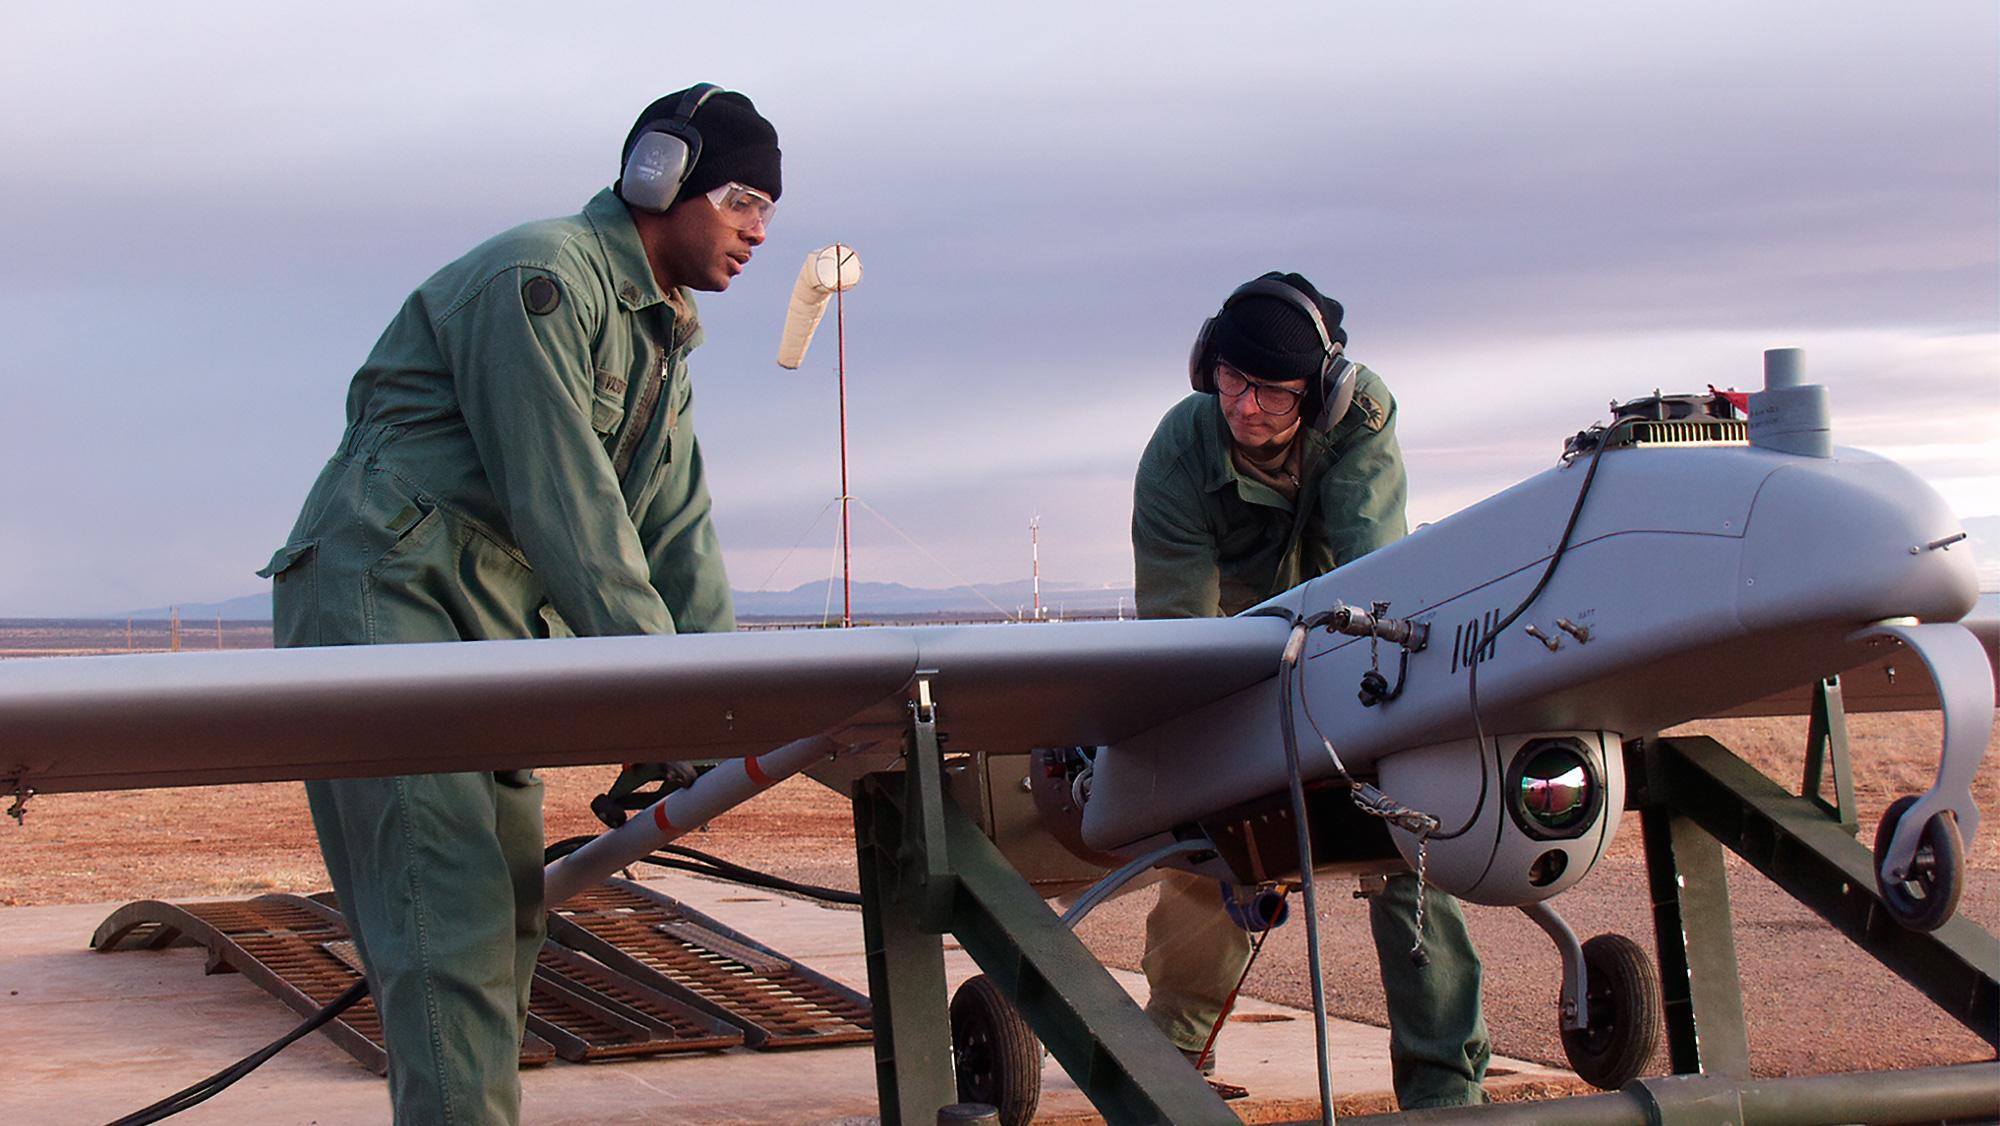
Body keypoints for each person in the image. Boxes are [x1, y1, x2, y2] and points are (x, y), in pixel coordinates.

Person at [257, 85, 780, 1124]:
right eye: (738, 199)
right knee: (446, 922)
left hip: (488, 631)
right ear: (657, 176)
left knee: (507, 921)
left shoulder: (658, 343)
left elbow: (676, 533)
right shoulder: (539, 278)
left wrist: (734, 707)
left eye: (769, 208)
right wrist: (659, 694)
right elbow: (566, 503)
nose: (758, 232)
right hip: (391, 605)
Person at [1130, 272, 1491, 1109]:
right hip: (1225, 667)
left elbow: (1376, 579)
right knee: (1214, 849)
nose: (1245, 407)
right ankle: (1168, 1059)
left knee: (1413, 843)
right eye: (1229, 378)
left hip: (1351, 657)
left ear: (1319, 392)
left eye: (1272, 391)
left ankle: (1444, 1093)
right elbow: (1180, 632)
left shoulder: (1360, 420)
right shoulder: (1180, 449)